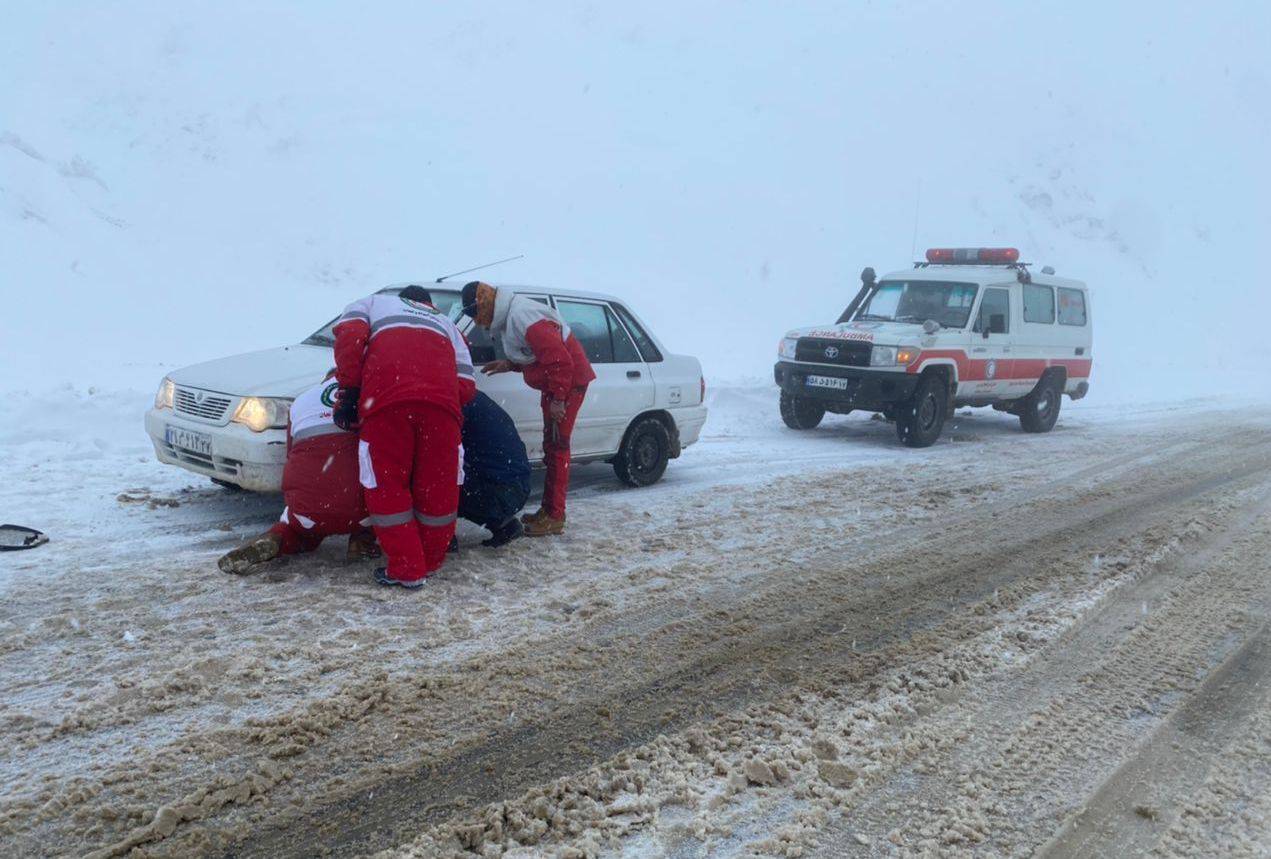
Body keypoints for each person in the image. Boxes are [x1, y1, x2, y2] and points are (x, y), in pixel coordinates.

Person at [333, 284, 475, 588]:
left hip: (386, 402)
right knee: (438, 484)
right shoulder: (447, 323)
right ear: (428, 303)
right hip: (442, 410)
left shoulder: (372, 303)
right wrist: (432, 390)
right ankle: (431, 558)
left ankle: (407, 567)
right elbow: (466, 383)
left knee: (385, 482)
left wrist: (351, 390)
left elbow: (349, 339)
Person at [459, 281, 595, 536]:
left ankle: (554, 516)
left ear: (485, 305)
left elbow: (560, 360)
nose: (476, 322)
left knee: (557, 448)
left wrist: (558, 399)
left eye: (474, 314)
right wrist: (510, 365)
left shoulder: (522, 316)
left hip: (567, 384)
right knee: (552, 446)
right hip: (558, 385)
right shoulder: (512, 315)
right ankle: (550, 510)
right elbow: (538, 355)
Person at [218, 374, 379, 574]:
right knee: (384, 496)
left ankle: (276, 539)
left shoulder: (302, 400)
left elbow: (291, 453)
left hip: (308, 499)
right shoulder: (373, 394)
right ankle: (363, 541)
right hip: (360, 505)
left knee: (300, 527)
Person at [459, 390, 532, 546]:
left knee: (434, 479)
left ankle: (439, 538)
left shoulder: (457, 403)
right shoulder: (470, 396)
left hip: (502, 490)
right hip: (514, 485)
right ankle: (504, 524)